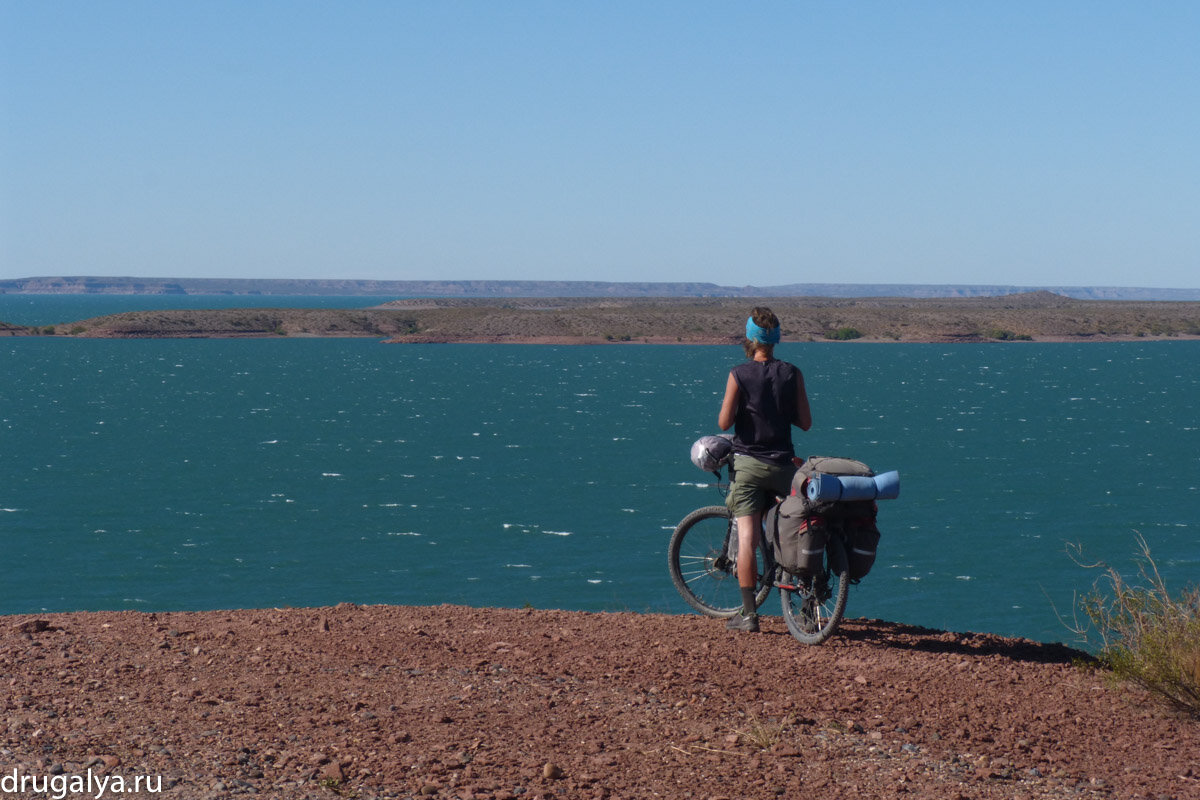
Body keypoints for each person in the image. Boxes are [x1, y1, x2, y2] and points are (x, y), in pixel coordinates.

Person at [717, 307, 812, 632]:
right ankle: (807, 607)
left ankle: (749, 615)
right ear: (776, 339)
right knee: (798, 531)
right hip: (784, 466)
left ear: (750, 338)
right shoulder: (792, 373)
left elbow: (724, 422)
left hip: (749, 466)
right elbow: (806, 423)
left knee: (747, 537)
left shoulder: (738, 374)